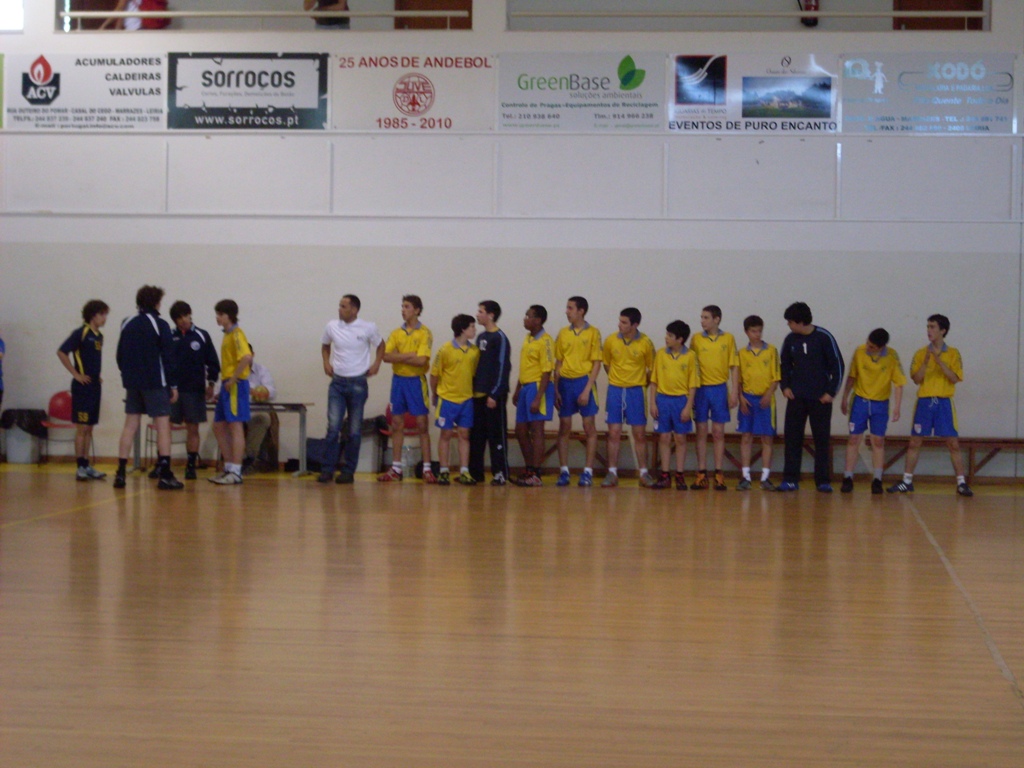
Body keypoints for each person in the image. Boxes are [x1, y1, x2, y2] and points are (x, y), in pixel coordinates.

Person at [888, 315, 973, 497]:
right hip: (925, 401)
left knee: (953, 443)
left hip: (944, 401)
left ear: (943, 330)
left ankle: (961, 483)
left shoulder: (953, 353)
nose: (929, 330)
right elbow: (916, 379)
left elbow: (954, 378)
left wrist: (939, 361)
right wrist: (927, 361)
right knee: (915, 441)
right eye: (927, 326)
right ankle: (907, 481)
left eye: (933, 327)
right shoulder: (920, 353)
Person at [113, 286, 183, 490]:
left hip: (132, 382)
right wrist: (173, 384)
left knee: (130, 425)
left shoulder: (127, 322)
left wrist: (128, 375)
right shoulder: (160, 324)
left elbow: (120, 355)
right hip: (154, 382)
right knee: (163, 425)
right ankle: (165, 473)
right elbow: (168, 356)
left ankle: (120, 473)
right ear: (156, 303)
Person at [778, 302, 844, 492]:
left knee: (821, 440)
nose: (788, 325)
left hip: (820, 399)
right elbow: (784, 365)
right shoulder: (790, 339)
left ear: (800, 322)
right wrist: (785, 386)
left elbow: (838, 366)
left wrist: (831, 392)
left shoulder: (824, 337)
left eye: (790, 322)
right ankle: (790, 479)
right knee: (792, 439)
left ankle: (823, 481)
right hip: (796, 397)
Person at [320, 294, 384, 484]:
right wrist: (326, 362)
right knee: (333, 428)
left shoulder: (368, 327)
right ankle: (327, 470)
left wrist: (376, 364)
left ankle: (348, 471)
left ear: (354, 310)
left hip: (358, 382)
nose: (339, 309)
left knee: (354, 430)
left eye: (343, 306)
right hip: (337, 383)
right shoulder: (332, 326)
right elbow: (325, 345)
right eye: (339, 305)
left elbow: (381, 345)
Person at [840, 328, 906, 495]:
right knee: (854, 439)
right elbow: (852, 376)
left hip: (880, 404)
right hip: (860, 401)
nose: (868, 348)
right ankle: (848, 477)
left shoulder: (892, 356)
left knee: (878, 441)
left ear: (881, 347)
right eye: (867, 344)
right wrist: (844, 397)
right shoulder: (859, 351)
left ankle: (877, 479)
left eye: (872, 347)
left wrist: (897, 407)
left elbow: (899, 383)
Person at [379, 295, 435, 483]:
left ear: (417, 310)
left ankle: (427, 468)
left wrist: (400, 356)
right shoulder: (396, 333)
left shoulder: (424, 333)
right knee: (396, 423)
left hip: (416, 382)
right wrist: (409, 355)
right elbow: (385, 356)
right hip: (398, 381)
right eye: (402, 306)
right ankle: (396, 468)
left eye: (407, 306)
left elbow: (421, 360)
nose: (403, 310)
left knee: (422, 424)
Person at [601, 307, 656, 488]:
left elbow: (652, 370)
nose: (620, 325)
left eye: (624, 322)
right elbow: (606, 364)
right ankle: (612, 473)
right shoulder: (610, 340)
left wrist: (639, 383)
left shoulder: (646, 343)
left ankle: (644, 473)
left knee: (639, 434)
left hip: (636, 392)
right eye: (620, 321)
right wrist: (617, 379)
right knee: (614, 433)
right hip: (615, 390)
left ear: (635, 324)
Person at [56, 300, 110, 481]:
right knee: (82, 427)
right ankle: (80, 467)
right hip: (82, 388)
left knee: (89, 428)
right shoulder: (81, 333)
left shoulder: (99, 336)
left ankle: (86, 465)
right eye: (102, 314)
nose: (105, 318)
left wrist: (96, 376)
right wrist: (76, 374)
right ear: (93, 315)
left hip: (94, 385)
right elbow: (62, 352)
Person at [553, 296, 603, 487]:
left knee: (589, 426)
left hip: (584, 381)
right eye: (567, 308)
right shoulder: (563, 333)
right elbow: (558, 362)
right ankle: (564, 471)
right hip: (565, 383)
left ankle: (588, 472)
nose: (567, 311)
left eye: (570, 308)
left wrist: (587, 389)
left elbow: (597, 363)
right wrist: (556, 388)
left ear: (581, 311)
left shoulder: (593, 332)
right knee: (564, 426)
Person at [689, 305, 739, 491]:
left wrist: (734, 392)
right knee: (701, 431)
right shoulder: (696, 339)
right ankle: (701, 473)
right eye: (701, 317)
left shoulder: (728, 338)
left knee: (718, 432)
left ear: (716, 319)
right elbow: (690, 365)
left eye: (706, 317)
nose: (702, 321)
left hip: (719, 389)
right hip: (701, 390)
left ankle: (719, 474)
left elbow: (734, 366)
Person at [168, 301, 219, 480]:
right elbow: (162, 362)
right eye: (178, 318)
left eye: (185, 316)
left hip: (194, 390)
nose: (183, 320)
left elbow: (213, 362)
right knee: (165, 427)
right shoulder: (168, 336)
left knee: (192, 428)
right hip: (172, 390)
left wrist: (211, 384)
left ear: (190, 314)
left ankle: (191, 465)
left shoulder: (202, 335)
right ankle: (162, 464)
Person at [430, 314, 481, 486]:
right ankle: (444, 470)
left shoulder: (475, 352)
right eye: (472, 326)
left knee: (464, 435)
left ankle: (464, 471)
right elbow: (434, 374)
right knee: (445, 434)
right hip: (447, 399)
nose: (475, 330)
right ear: (463, 329)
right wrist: (435, 394)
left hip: (466, 400)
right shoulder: (445, 350)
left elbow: (474, 374)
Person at [649, 320, 698, 490]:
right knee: (664, 437)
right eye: (667, 334)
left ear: (680, 339)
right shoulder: (660, 354)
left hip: (681, 401)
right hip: (663, 400)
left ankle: (680, 474)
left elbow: (693, 385)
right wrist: (652, 403)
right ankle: (664, 475)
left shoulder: (690, 356)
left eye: (670, 335)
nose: (666, 338)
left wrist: (688, 407)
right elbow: (653, 381)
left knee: (680, 438)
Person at [208, 299, 252, 486]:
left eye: (221, 314)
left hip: (235, 385)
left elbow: (247, 357)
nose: (217, 317)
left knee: (235, 425)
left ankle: (236, 471)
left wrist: (233, 379)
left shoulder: (236, 334)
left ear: (230, 315)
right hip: (227, 384)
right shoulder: (226, 335)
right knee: (218, 425)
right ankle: (228, 467)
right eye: (217, 314)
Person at [468, 300, 512, 486]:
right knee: (477, 436)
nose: (477, 315)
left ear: (491, 315)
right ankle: (475, 473)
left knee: (496, 435)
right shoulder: (481, 337)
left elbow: (503, 367)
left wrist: (494, 393)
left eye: (481, 311)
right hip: (477, 395)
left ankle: (500, 473)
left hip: (494, 396)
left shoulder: (500, 338)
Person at [736, 315, 781, 491]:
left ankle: (765, 478)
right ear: (746, 332)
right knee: (746, 436)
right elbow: (738, 379)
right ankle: (745, 477)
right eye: (753, 331)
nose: (757, 334)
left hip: (765, 400)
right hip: (747, 398)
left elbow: (776, 377)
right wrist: (740, 397)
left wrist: (768, 395)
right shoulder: (741, 353)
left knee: (766, 438)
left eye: (759, 331)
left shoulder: (771, 350)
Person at [513, 305, 555, 486]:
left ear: (538, 320)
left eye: (528, 316)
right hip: (525, 387)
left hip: (538, 387)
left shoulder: (546, 341)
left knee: (537, 429)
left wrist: (538, 397)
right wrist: (517, 389)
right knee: (520, 430)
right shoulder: (528, 338)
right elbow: (525, 366)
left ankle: (536, 473)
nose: (525, 318)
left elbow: (547, 371)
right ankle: (529, 468)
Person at [243, 347, 278, 472]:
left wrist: (262, 392)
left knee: (262, 418)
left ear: (253, 354)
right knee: (222, 420)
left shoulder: (262, 370)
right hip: (235, 408)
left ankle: (248, 458)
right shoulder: (230, 370)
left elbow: (272, 391)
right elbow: (219, 391)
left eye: (246, 354)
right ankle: (232, 461)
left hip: (255, 408)